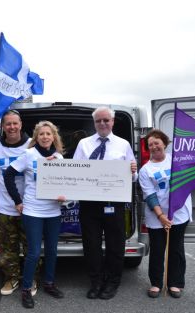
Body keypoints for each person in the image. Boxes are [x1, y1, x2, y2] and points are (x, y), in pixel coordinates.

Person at [73, 106, 138, 300]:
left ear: (112, 122)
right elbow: (74, 171)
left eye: (105, 120)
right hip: (89, 204)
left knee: (115, 245)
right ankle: (96, 282)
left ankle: (112, 282)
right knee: (91, 245)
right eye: (98, 121)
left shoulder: (124, 144)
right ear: (94, 123)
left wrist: (133, 170)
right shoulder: (84, 144)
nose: (102, 124)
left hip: (114, 203)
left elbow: (133, 179)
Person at [4, 120, 66, 309]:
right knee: (33, 252)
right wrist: (17, 201)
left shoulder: (59, 158)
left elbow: (66, 184)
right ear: (36, 137)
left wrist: (65, 197)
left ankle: (48, 283)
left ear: (54, 137)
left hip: (53, 211)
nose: (45, 137)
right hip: (32, 210)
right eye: (42, 134)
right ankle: (26, 289)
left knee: (52, 250)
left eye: (49, 134)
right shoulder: (28, 154)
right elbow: (8, 175)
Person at [0, 110, 39, 296]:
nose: (11, 127)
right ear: (3, 127)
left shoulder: (31, 146)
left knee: (31, 247)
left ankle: (31, 279)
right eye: (8, 124)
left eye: (14, 123)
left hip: (30, 207)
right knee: (8, 248)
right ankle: (11, 278)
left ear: (21, 124)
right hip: (5, 207)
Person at [138, 129, 192, 299]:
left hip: (179, 213)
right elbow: (150, 195)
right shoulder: (145, 170)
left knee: (176, 249)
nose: (154, 147)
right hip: (157, 217)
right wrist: (161, 216)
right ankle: (156, 283)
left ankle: (175, 283)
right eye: (150, 145)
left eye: (157, 143)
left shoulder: (177, 161)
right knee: (157, 250)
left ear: (164, 143)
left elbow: (191, 179)